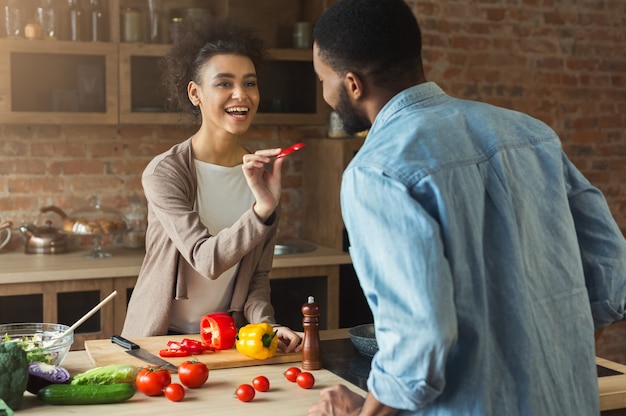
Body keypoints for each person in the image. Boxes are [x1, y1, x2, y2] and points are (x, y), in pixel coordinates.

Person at [308, 0, 626, 415]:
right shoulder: (531, 134)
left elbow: (419, 339)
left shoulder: (376, 171)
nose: (324, 92)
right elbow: (612, 272)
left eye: (323, 79)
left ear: (353, 84)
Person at [121, 16, 301, 353]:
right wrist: (262, 210)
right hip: (157, 340)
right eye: (224, 83)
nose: (241, 95)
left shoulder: (260, 174)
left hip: (224, 341)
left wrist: (268, 323)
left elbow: (257, 278)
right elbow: (206, 259)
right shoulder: (166, 172)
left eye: (250, 83)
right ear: (195, 93)